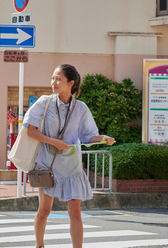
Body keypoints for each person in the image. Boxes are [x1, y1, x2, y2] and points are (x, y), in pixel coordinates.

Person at [23, 64, 116, 248]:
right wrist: (54, 141)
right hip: (47, 164)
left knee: (75, 211)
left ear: (70, 83)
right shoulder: (44, 102)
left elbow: (88, 136)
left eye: (58, 79)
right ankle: (39, 245)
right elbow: (31, 131)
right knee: (44, 210)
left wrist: (102, 138)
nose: (53, 82)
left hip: (72, 166)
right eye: (53, 78)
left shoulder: (80, 108)